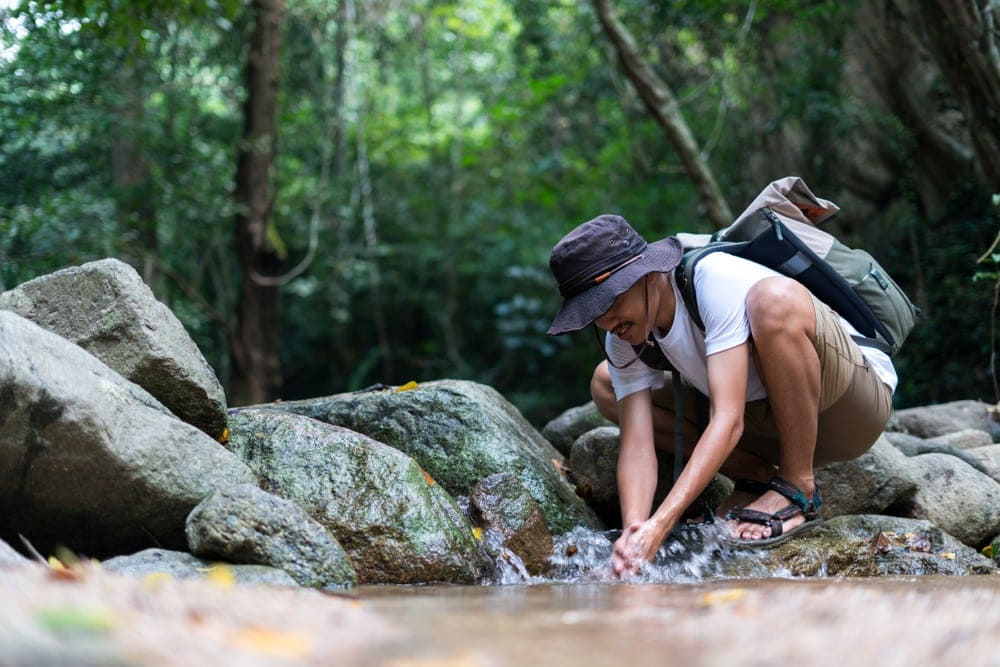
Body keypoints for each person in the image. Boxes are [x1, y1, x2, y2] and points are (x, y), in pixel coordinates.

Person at [546, 213, 895, 577]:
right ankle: (759, 479)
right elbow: (637, 446)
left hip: (847, 407)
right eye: (594, 313)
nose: (606, 320)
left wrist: (662, 523)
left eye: (610, 302)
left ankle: (797, 488)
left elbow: (728, 420)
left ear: (647, 275)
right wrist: (636, 533)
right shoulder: (624, 337)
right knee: (605, 383)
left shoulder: (713, 279)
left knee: (772, 299)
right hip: (770, 423)